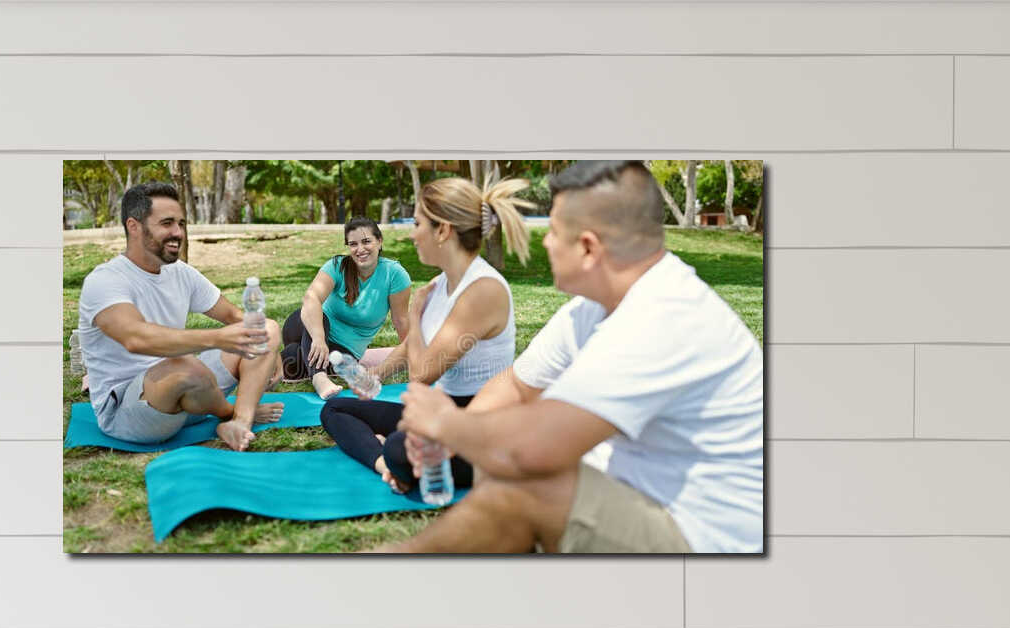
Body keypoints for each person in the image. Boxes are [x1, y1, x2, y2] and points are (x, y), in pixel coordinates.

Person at [378, 160, 763, 553]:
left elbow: (534, 451)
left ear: (588, 248)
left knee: (523, 480)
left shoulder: (663, 315)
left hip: (703, 537)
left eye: (554, 232)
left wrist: (448, 425)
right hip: (633, 496)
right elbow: (514, 385)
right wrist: (454, 437)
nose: (545, 242)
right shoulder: (592, 307)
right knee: (499, 461)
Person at [318, 175, 531, 493]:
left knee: (400, 446)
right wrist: (375, 376)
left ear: (442, 230)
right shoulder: (440, 283)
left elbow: (421, 374)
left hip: (479, 428)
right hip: (441, 412)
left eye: (418, 224)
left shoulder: (483, 289)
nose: (412, 234)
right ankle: (385, 465)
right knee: (335, 409)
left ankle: (392, 458)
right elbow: (410, 350)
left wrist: (415, 317)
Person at [74, 181, 283, 451]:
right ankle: (228, 412)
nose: (178, 232)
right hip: (130, 411)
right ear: (134, 226)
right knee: (185, 366)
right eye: (167, 223)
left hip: (192, 395)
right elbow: (136, 338)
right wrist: (218, 338)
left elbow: (235, 316)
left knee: (267, 327)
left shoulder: (180, 272)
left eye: (181, 224)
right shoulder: (104, 281)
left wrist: (269, 347)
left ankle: (240, 423)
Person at [280, 216, 413, 399]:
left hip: (342, 351)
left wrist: (412, 354)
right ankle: (319, 378)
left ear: (379, 241)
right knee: (319, 317)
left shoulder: (394, 275)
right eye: (353, 244)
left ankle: (290, 359)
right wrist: (318, 338)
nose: (360, 249)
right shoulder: (337, 266)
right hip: (310, 328)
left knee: (292, 356)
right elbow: (312, 298)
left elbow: (401, 320)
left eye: (366, 241)